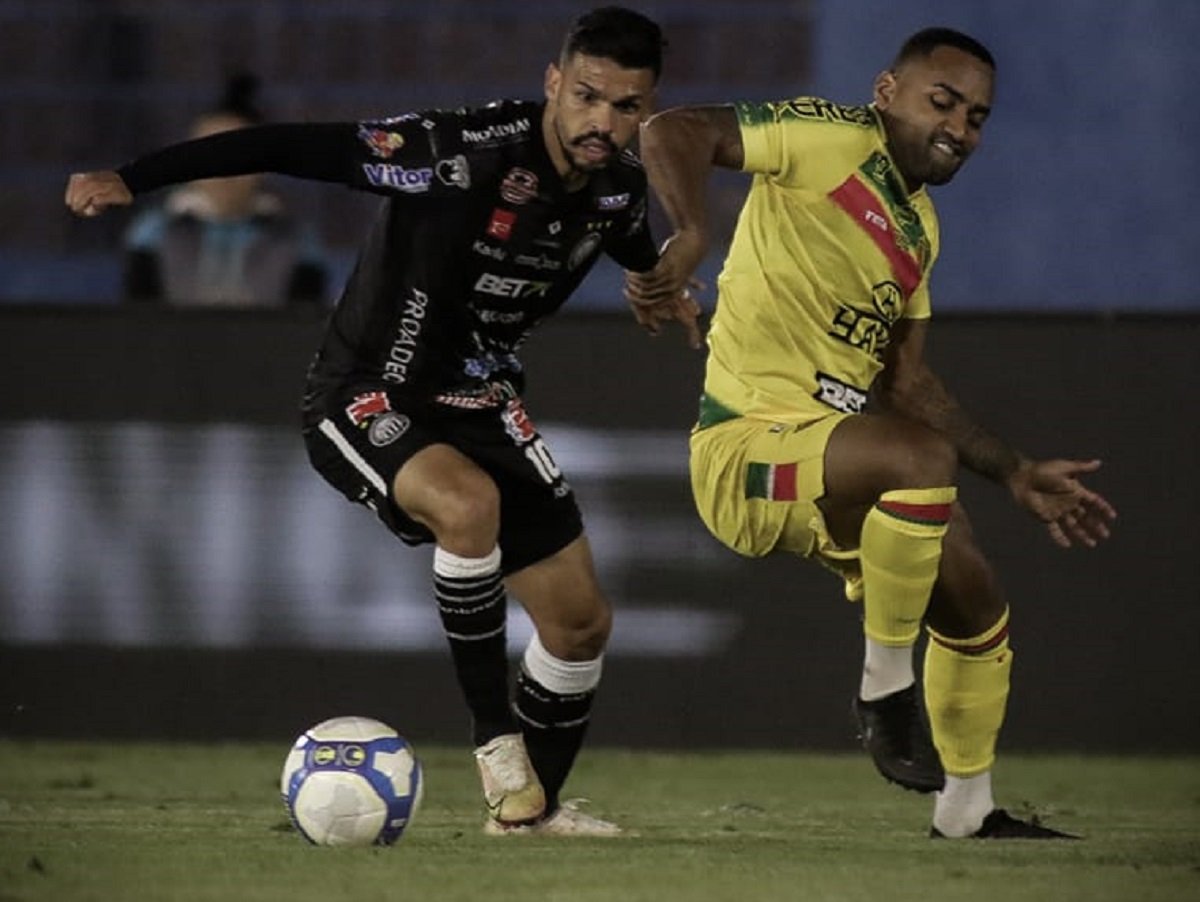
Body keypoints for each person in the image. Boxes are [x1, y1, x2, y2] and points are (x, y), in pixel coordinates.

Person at [66, 6, 698, 836]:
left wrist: (658, 283)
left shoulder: (616, 185)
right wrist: (136, 176)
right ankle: (493, 739)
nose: (602, 122)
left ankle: (526, 817)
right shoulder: (457, 154)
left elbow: (620, 234)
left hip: (484, 399)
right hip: (370, 391)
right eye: (587, 97)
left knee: (581, 624)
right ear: (553, 83)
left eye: (626, 107)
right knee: (469, 508)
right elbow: (289, 146)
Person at [627, 27, 1117, 838]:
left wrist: (1015, 470)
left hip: (834, 464)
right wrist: (690, 233)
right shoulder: (829, 138)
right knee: (919, 461)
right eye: (943, 101)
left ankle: (966, 810)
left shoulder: (921, 232)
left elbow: (907, 381)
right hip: (744, 453)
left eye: (978, 117)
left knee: (973, 596)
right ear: (887, 93)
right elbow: (671, 130)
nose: (960, 127)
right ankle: (885, 690)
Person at [122, 73, 330, 308]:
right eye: (206, 156)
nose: (221, 173)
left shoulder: (298, 242)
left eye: (238, 157)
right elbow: (138, 322)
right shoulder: (153, 233)